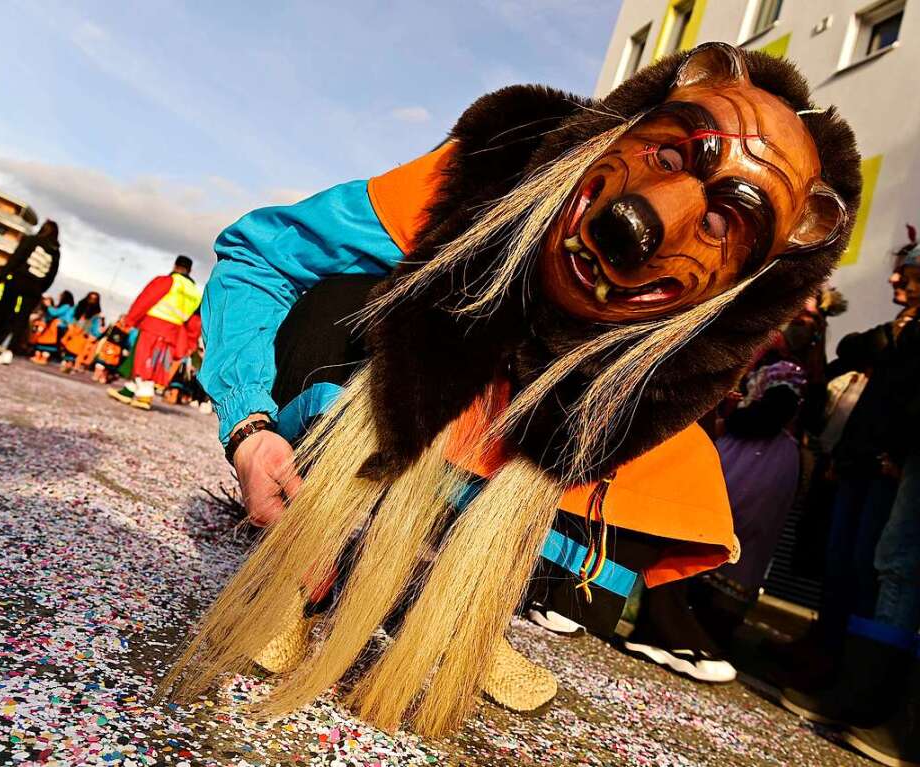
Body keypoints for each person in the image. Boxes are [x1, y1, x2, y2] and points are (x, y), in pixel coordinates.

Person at [157, 44, 861, 738]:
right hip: (379, 401)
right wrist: (249, 429)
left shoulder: (695, 343)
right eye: (670, 158)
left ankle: (465, 601)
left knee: (671, 480)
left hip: (500, 467)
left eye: (717, 221)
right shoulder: (484, 167)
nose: (645, 221)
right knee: (346, 304)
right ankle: (307, 561)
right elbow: (263, 257)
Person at [781, 251, 920, 766]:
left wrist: (896, 452)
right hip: (862, 460)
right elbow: (854, 353)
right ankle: (839, 671)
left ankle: (861, 688)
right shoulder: (897, 330)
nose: (893, 278)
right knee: (845, 563)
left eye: (907, 271)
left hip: (890, 465)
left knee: (882, 569)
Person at [107, 255, 201, 410]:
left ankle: (145, 394)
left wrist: (131, 319)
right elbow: (195, 320)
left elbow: (146, 299)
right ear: (190, 270)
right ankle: (128, 391)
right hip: (174, 331)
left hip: (153, 325)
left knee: (145, 357)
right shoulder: (195, 293)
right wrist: (190, 341)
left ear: (175, 266)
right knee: (158, 360)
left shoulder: (168, 281)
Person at [0, 220, 60, 364]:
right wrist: (40, 288)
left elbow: (17, 258)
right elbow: (51, 275)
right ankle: (9, 351)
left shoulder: (32, 241)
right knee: (21, 319)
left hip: (18, 280)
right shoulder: (55, 252)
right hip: (35, 289)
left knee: (2, 312)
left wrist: (3, 275)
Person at [30, 290, 74, 364]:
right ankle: (40, 358)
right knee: (49, 342)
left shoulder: (66, 306)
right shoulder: (69, 307)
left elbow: (54, 313)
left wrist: (49, 305)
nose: (59, 297)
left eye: (61, 296)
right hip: (58, 327)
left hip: (57, 327)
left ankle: (43, 358)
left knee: (48, 342)